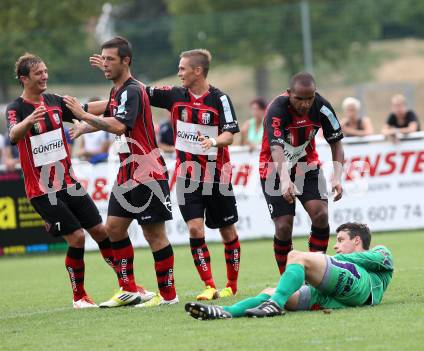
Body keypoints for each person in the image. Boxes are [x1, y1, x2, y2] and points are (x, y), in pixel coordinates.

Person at [5, 53, 139, 309]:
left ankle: (127, 286)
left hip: (69, 183)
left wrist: (118, 100)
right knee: (77, 238)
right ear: (24, 79)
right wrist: (27, 122)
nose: (44, 76)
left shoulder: (54, 101)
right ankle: (79, 297)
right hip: (43, 190)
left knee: (101, 231)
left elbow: (85, 110)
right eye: (38, 73)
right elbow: (13, 134)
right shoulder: (16, 108)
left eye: (45, 71)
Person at [65, 36, 178, 308]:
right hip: (127, 172)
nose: (104, 64)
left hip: (146, 172)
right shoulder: (118, 91)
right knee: (113, 229)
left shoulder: (132, 89)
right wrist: (85, 126)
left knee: (154, 235)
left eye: (110, 59)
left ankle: (169, 295)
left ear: (126, 61)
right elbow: (112, 119)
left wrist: (82, 114)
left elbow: (118, 125)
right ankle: (128, 289)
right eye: (102, 59)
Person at [141, 49, 242, 301]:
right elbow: (139, 91)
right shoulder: (174, 96)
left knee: (227, 232)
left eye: (183, 68)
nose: (179, 72)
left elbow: (230, 134)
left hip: (217, 176)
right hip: (187, 177)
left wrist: (213, 141)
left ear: (198, 71)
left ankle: (231, 285)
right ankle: (209, 285)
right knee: (195, 230)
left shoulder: (221, 100)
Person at [185, 222, 394, 320]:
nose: (336, 246)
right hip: (334, 298)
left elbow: (381, 259)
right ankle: (225, 312)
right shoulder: (341, 261)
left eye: (340, 240)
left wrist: (331, 259)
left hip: (360, 286)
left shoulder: (380, 251)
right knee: (270, 291)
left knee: (296, 256)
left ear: (357, 240)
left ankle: (274, 306)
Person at [259, 72, 344, 276]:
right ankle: (288, 279)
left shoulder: (322, 107)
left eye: (309, 99)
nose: (305, 104)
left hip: (307, 166)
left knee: (321, 214)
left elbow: (336, 142)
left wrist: (337, 176)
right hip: (274, 169)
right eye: (299, 99)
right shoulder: (276, 109)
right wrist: (285, 179)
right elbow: (276, 149)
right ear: (289, 94)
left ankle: (314, 272)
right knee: (283, 226)